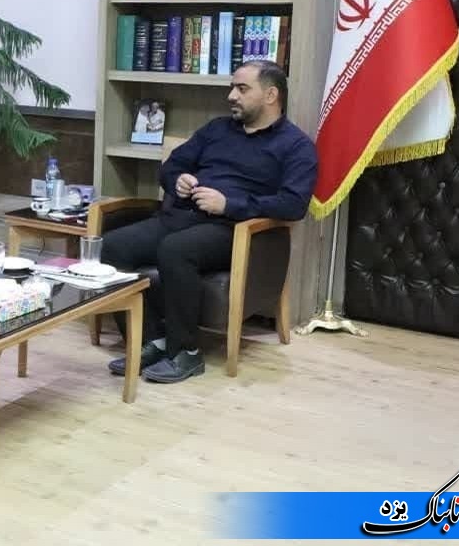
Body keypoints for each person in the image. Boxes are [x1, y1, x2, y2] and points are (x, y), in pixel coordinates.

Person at [103, 61, 317, 384]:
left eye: (242, 89)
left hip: (232, 229)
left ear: (271, 95)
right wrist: (178, 180)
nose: (232, 96)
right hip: (182, 216)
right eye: (232, 88)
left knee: (176, 249)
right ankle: (151, 340)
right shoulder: (217, 130)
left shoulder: (296, 147)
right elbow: (171, 166)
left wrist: (229, 204)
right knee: (111, 247)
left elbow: (293, 204)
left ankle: (186, 353)